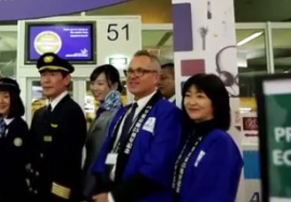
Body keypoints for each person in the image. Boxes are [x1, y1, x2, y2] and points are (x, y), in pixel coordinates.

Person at [92, 50, 183, 202]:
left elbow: (158, 167)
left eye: (141, 71)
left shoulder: (168, 113)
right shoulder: (123, 112)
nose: (133, 76)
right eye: (131, 71)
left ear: (156, 78)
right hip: (111, 192)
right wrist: (101, 190)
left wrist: (113, 197)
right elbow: (105, 153)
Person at [172, 73, 243, 202]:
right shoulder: (190, 136)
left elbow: (216, 193)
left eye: (200, 96)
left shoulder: (221, 142)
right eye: (188, 95)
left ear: (216, 102)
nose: (191, 102)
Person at [27, 52, 87, 202]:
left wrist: (59, 195)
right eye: (43, 75)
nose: (46, 80)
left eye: (52, 74)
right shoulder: (40, 113)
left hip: (59, 195)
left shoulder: (71, 111)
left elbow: (68, 162)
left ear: (66, 79)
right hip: (40, 190)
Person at [83, 65, 123, 199]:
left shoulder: (116, 115)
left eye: (100, 83)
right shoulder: (103, 112)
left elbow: (101, 155)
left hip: (101, 187)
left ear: (115, 85)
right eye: (93, 83)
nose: (94, 88)